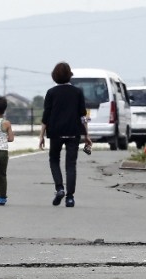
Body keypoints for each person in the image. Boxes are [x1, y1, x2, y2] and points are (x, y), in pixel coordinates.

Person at [39, 62, 93, 208]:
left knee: (54, 160)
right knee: (71, 164)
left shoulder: (51, 93)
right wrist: (86, 134)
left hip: (55, 132)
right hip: (73, 132)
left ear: (54, 76)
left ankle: (59, 188)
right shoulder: (78, 92)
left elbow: (46, 115)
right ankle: (70, 197)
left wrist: (41, 135)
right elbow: (83, 115)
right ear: (70, 75)